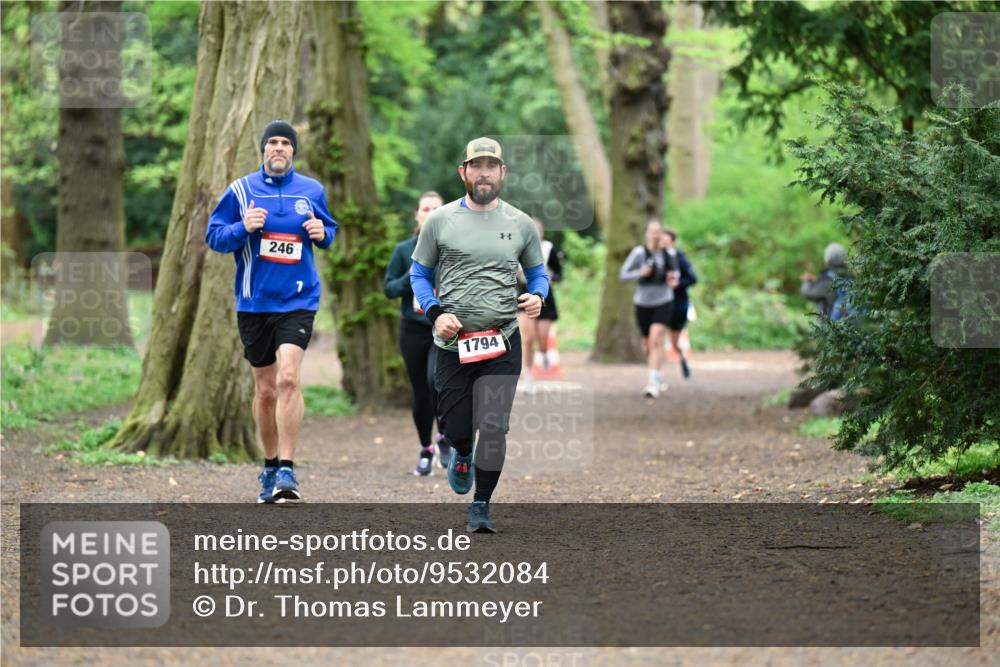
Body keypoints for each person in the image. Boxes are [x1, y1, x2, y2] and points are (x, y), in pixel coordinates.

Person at [410, 137, 549, 533]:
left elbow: (538, 272)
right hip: (453, 343)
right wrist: (436, 313)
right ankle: (462, 451)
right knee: (456, 427)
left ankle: (482, 504)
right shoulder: (440, 221)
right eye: (477, 166)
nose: (484, 173)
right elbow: (418, 273)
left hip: (503, 338)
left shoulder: (520, 223)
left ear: (502, 172)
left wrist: (538, 294)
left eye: (492, 166)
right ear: (464, 172)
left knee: (494, 424)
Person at [206, 119, 337, 504]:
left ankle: (287, 470)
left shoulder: (312, 190)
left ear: (293, 150)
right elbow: (214, 236)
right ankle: (267, 465)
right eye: (273, 142)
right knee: (264, 390)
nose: (279, 148)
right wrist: (241, 229)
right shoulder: (241, 190)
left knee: (289, 379)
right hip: (254, 302)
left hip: (298, 299)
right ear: (263, 149)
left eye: (285, 143)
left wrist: (322, 234)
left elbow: (328, 229)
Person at [383, 190, 452, 476]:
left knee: (437, 381)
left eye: (437, 209)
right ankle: (426, 449)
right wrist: (412, 274)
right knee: (421, 392)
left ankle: (446, 437)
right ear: (417, 215)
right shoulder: (403, 250)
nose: (431, 214)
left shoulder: (453, 250)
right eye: (426, 209)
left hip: (444, 328)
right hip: (412, 329)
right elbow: (389, 289)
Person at [619, 219, 679, 398]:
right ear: (646, 233)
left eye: (658, 231)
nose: (655, 235)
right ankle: (657, 373)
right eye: (652, 231)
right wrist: (640, 273)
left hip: (664, 301)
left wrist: (673, 280)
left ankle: (652, 382)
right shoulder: (638, 253)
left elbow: (675, 274)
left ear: (662, 234)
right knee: (647, 346)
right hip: (643, 303)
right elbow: (623, 275)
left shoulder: (669, 254)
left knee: (655, 339)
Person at [517, 218, 563, 388]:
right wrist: (517, 275)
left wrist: (551, 278)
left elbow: (559, 273)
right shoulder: (518, 250)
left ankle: (544, 352)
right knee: (528, 337)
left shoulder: (548, 248)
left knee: (542, 338)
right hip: (524, 294)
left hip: (545, 296)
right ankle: (528, 374)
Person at [661, 228, 697, 379]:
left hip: (678, 304)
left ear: (672, 242)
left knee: (675, 342)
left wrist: (678, 284)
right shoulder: (655, 258)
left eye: (666, 241)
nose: (663, 244)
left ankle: (683, 359)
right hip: (660, 304)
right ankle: (656, 374)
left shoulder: (680, 258)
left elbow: (693, 278)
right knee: (656, 338)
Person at [801, 242, 850, 319]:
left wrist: (808, 281)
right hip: (854, 328)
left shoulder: (827, 280)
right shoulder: (850, 278)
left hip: (831, 329)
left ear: (828, 260)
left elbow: (808, 293)